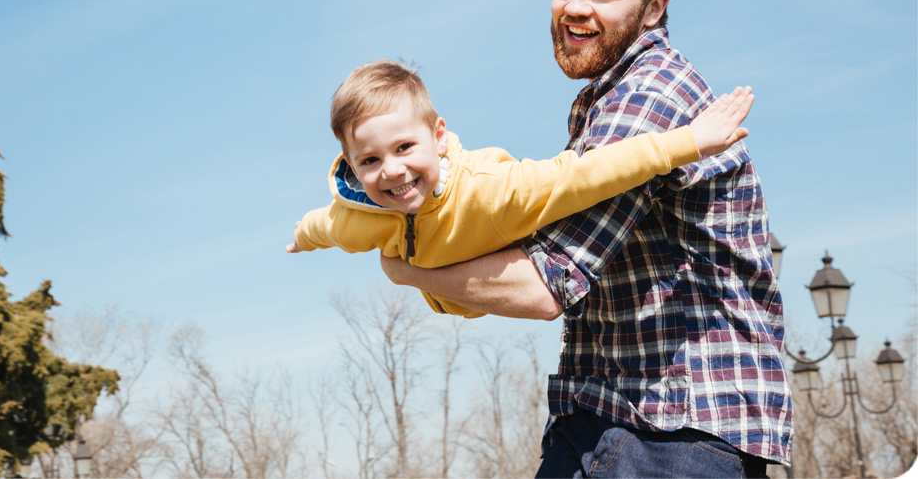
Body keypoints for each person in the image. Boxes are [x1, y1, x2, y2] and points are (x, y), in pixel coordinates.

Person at [378, 0, 793, 477]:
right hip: (614, 418)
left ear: (654, 8)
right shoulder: (610, 98)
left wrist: (407, 269)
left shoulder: (648, 99)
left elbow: (545, 285)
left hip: (668, 430)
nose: (574, 8)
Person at [287, 59, 754, 319]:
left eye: (405, 147)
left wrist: (690, 141)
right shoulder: (362, 214)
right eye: (370, 161)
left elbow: (587, 174)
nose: (391, 171)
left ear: (439, 136)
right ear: (352, 165)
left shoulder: (493, 193)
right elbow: (324, 225)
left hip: (513, 258)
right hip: (458, 294)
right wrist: (302, 239)